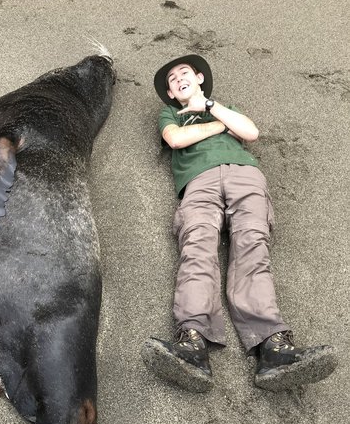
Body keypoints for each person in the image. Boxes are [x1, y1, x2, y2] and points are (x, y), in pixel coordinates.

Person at [141, 54, 337, 392]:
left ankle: (273, 347)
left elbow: (250, 131)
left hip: (245, 177)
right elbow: (175, 139)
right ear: (171, 94)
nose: (177, 79)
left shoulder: (223, 106)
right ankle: (192, 343)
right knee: (197, 249)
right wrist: (221, 126)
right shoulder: (169, 113)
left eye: (183, 73)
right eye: (172, 80)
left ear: (199, 78)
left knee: (252, 248)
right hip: (198, 182)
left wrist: (213, 108)